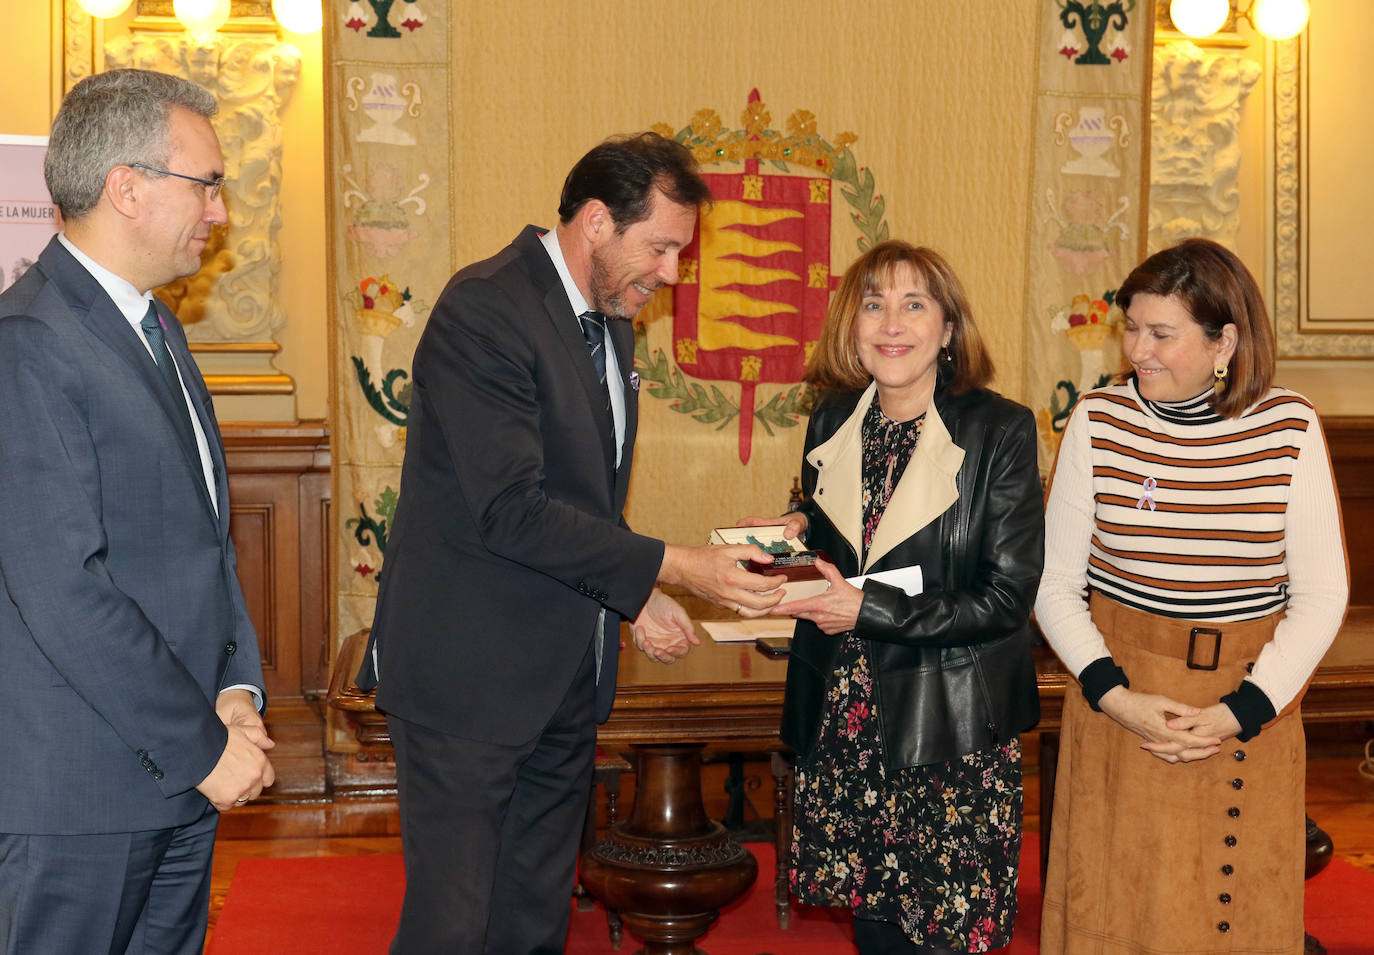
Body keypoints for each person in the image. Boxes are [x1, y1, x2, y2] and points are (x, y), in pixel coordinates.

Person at [355, 131, 785, 954]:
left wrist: (639, 592)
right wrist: (681, 564)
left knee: (532, 919)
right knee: (454, 925)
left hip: (561, 679)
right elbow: (512, 510)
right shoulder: (485, 308)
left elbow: (580, 501)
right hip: (467, 683)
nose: (671, 274)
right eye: (660, 247)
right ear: (596, 221)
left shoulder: (610, 320)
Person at [0, 69, 274, 954]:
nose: (221, 212)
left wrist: (235, 690)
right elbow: (63, 589)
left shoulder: (152, 325)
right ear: (127, 186)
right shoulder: (29, 345)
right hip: (76, 800)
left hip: (174, 773)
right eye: (208, 183)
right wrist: (201, 745)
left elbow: (204, 543)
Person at [1036, 238, 1348, 953]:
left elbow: (1322, 594)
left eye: (1162, 333)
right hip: (1122, 706)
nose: (1139, 349)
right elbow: (1055, 585)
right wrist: (1116, 696)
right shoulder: (1098, 421)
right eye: (1132, 327)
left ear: (1224, 342)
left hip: (1244, 709)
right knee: (1111, 919)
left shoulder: (1288, 427)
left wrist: (1242, 711)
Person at [741, 240, 1044, 953]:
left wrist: (865, 609)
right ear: (852, 325)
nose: (891, 323)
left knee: (943, 936)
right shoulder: (834, 418)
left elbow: (1005, 598)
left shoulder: (1000, 430)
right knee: (874, 927)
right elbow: (854, 533)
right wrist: (797, 525)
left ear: (948, 327)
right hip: (845, 717)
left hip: (948, 728)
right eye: (873, 304)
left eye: (914, 304)